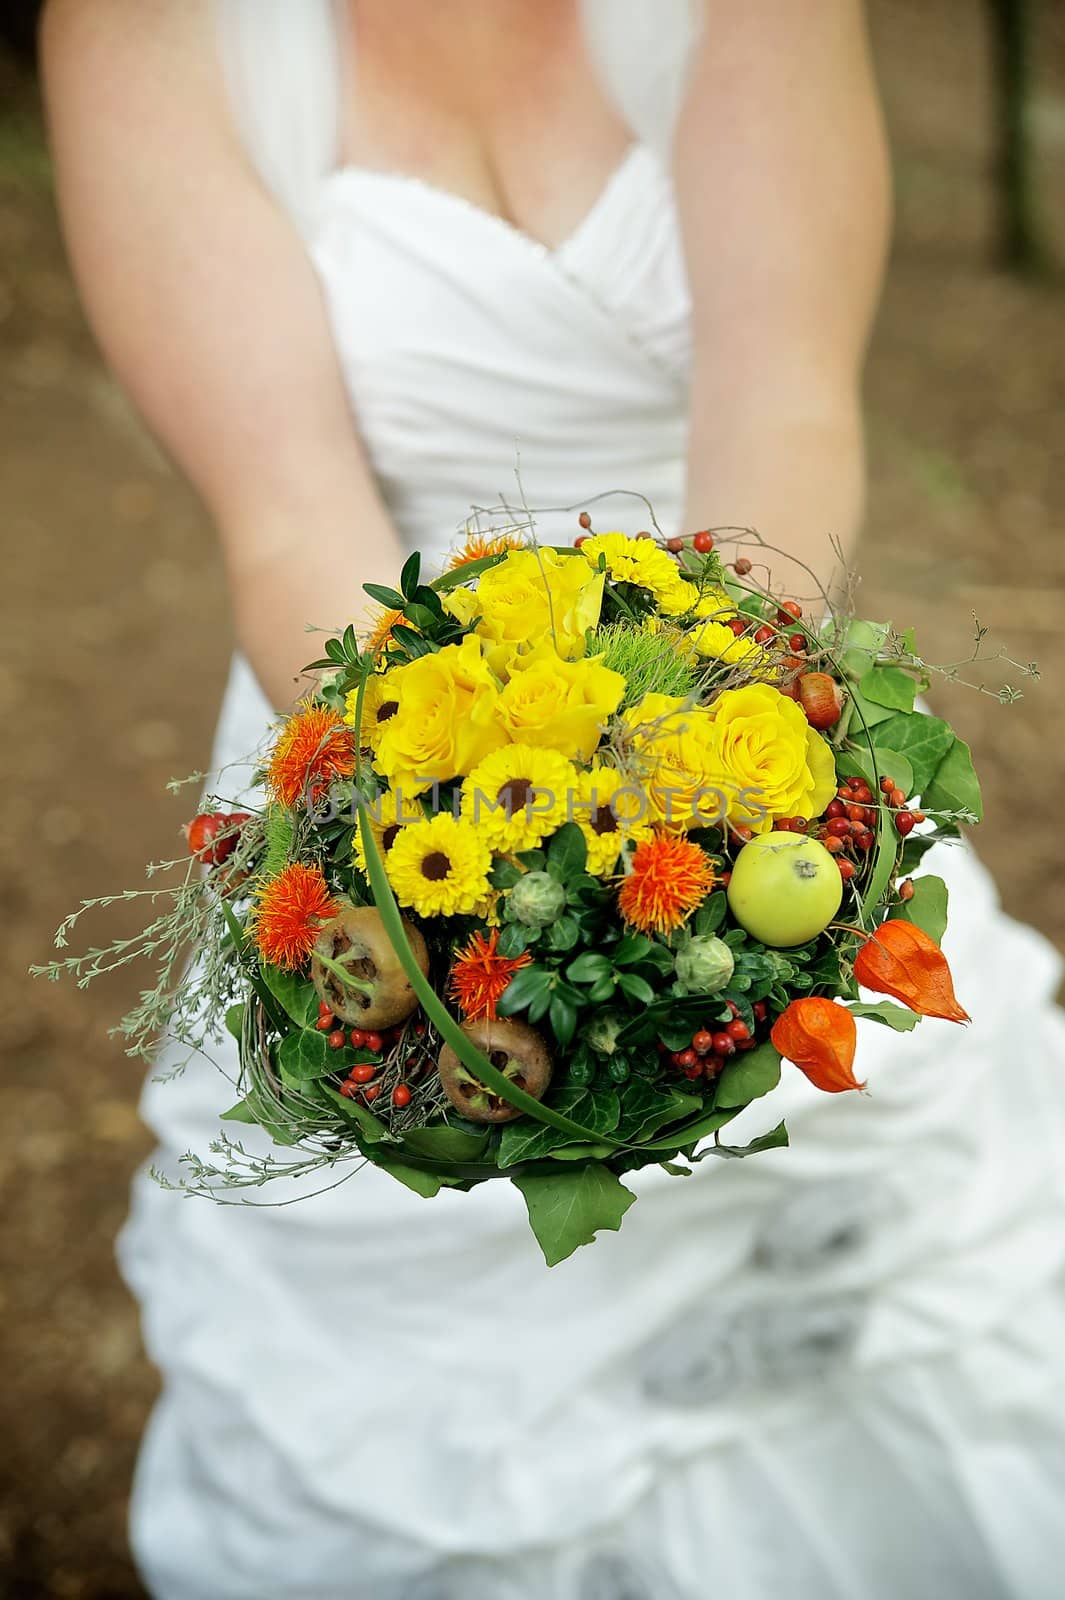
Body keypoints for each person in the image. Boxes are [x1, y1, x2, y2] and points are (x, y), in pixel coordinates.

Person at [41, 2, 1065, 1596]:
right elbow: (285, 513)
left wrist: (705, 795)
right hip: (386, 735)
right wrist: (456, 870)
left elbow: (785, 405)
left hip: (731, 717)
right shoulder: (143, 34)